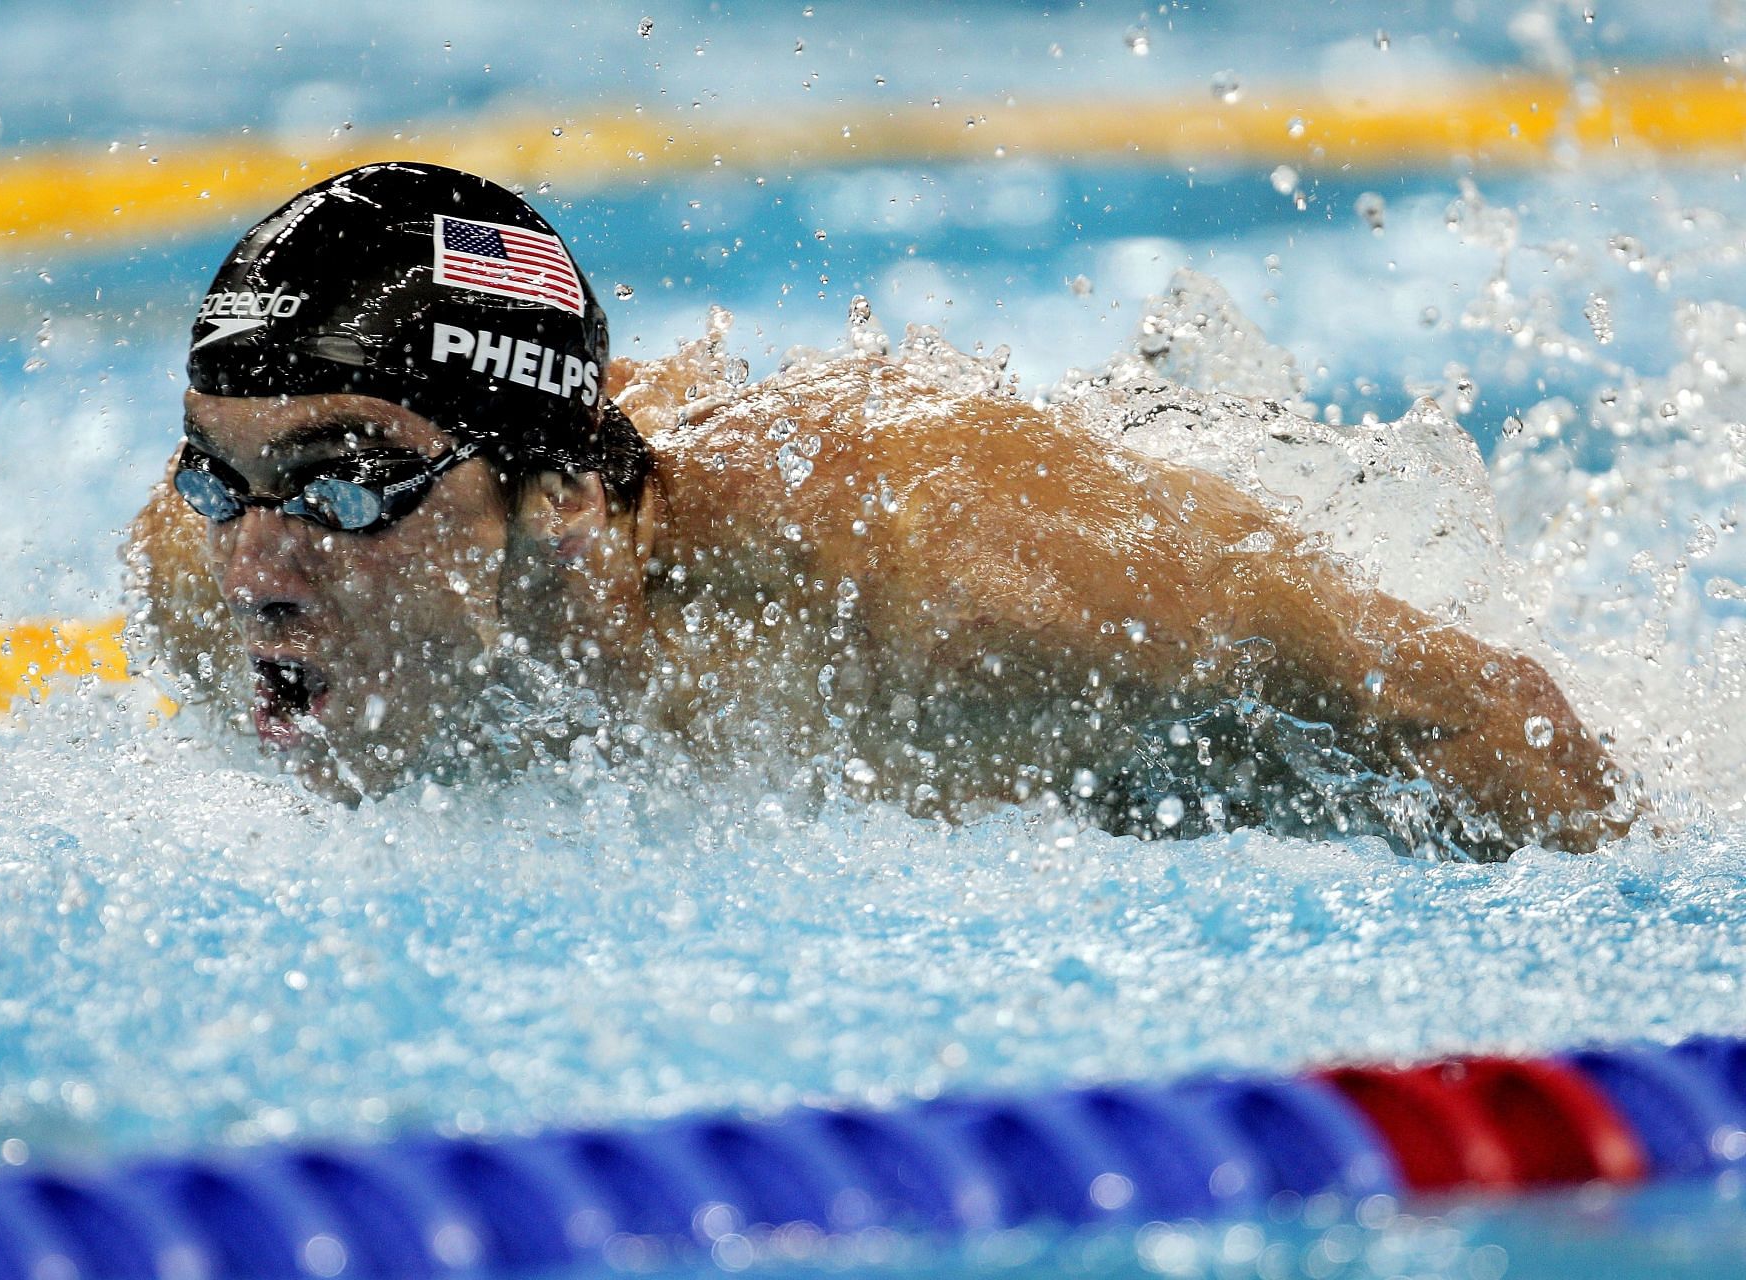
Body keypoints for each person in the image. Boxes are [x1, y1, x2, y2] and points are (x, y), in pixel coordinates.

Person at [126, 162, 1631, 857]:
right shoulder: (210, 584)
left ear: (566, 496)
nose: (263, 554)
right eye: (222, 472)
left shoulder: (944, 582)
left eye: (346, 479)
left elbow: (1482, 717)